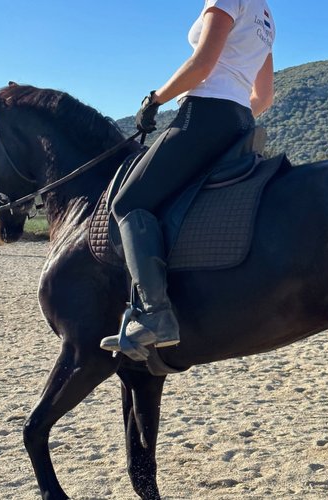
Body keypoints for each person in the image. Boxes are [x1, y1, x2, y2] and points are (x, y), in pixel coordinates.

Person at [100, 0, 275, 360]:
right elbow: (265, 96)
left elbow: (202, 64)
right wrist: (233, 114)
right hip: (241, 120)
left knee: (128, 202)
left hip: (204, 111)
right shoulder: (267, 17)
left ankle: (155, 314)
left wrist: (154, 99)